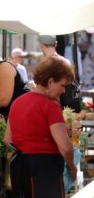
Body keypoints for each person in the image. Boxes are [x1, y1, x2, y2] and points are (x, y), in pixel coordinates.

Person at [5, 56, 77, 198]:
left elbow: (8, 140)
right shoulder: (50, 106)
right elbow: (65, 147)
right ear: (50, 81)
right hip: (44, 170)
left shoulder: (17, 102)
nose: (63, 91)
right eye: (62, 85)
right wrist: (72, 169)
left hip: (19, 168)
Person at [38, 35, 82, 113]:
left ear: (42, 46)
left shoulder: (44, 64)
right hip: (71, 109)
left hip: (56, 109)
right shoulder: (66, 62)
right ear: (56, 44)